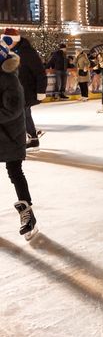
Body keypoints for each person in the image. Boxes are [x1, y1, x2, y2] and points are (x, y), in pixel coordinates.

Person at [0, 34, 38, 240]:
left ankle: (28, 214)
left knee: (15, 172)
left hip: (10, 135)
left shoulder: (9, 79)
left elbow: (13, 110)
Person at [5, 28, 47, 150]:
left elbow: (40, 72)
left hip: (26, 90)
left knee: (22, 115)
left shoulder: (27, 52)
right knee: (24, 115)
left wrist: (41, 91)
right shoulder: (9, 52)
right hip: (14, 90)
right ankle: (32, 138)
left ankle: (29, 139)